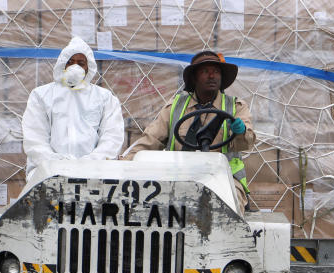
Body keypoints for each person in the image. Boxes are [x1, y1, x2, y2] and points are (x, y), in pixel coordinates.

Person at [124, 50, 255, 210]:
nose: (212, 76)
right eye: (205, 71)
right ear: (194, 78)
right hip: (178, 176)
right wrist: (124, 162)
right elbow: (151, 139)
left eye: (216, 71)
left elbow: (247, 142)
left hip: (225, 178)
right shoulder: (175, 106)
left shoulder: (235, 107)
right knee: (156, 211)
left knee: (226, 210)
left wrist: (240, 132)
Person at [20, 37, 124, 175]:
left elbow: (112, 137)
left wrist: (90, 163)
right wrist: (55, 163)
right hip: (48, 173)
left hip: (94, 173)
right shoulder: (41, 95)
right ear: (62, 64)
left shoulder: (104, 98)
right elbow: (35, 138)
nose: (75, 67)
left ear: (89, 67)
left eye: (81, 63)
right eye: (70, 62)